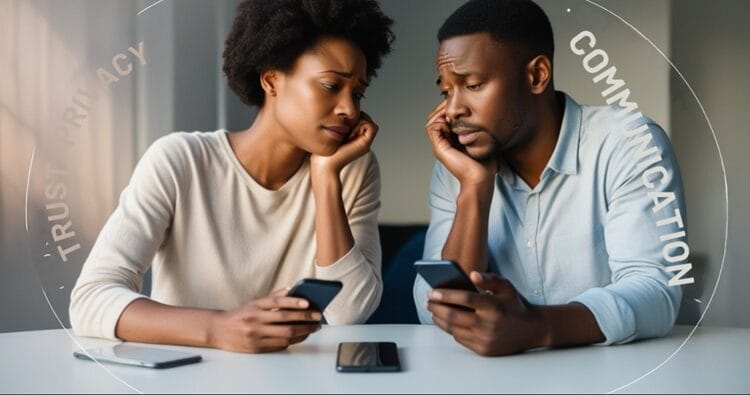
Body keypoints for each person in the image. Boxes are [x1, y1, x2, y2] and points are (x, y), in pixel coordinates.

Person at [70, 0, 394, 353]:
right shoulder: (180, 161)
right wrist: (219, 328)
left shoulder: (352, 168)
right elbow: (90, 299)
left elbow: (351, 312)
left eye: (358, 93)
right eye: (332, 85)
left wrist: (326, 178)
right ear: (272, 80)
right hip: (184, 379)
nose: (350, 109)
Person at [415, 0, 686, 356]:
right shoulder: (458, 166)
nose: (452, 110)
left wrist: (537, 327)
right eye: (446, 91)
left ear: (537, 75)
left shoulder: (629, 143)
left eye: (474, 84)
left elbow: (657, 290)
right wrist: (474, 190)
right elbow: (428, 307)